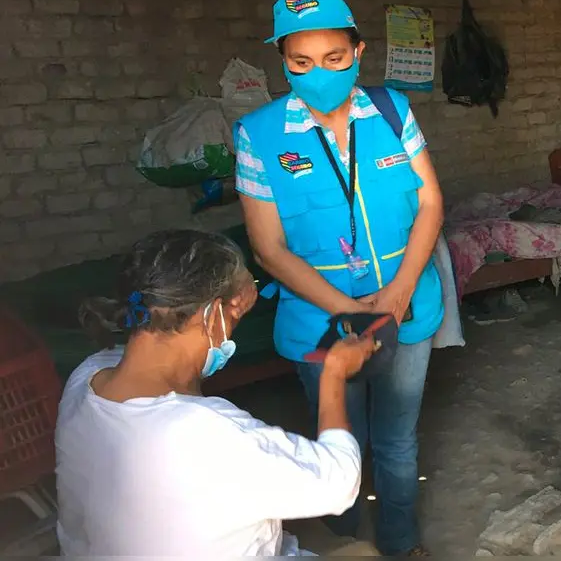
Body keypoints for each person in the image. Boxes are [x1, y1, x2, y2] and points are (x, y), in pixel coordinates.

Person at [234, 0, 445, 556]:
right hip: (322, 322)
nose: (318, 74)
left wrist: (399, 292)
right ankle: (354, 538)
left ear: (358, 52)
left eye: (333, 59)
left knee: (398, 441)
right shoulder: (258, 136)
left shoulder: (392, 110)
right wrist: (348, 310)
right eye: (300, 63)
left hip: (406, 308)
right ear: (283, 61)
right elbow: (270, 250)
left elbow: (430, 204)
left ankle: (400, 543)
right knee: (338, 435)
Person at [54, 229, 380, 556]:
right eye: (235, 317)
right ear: (211, 315)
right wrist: (334, 373)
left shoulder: (86, 378)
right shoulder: (204, 433)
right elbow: (339, 484)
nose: (232, 330)